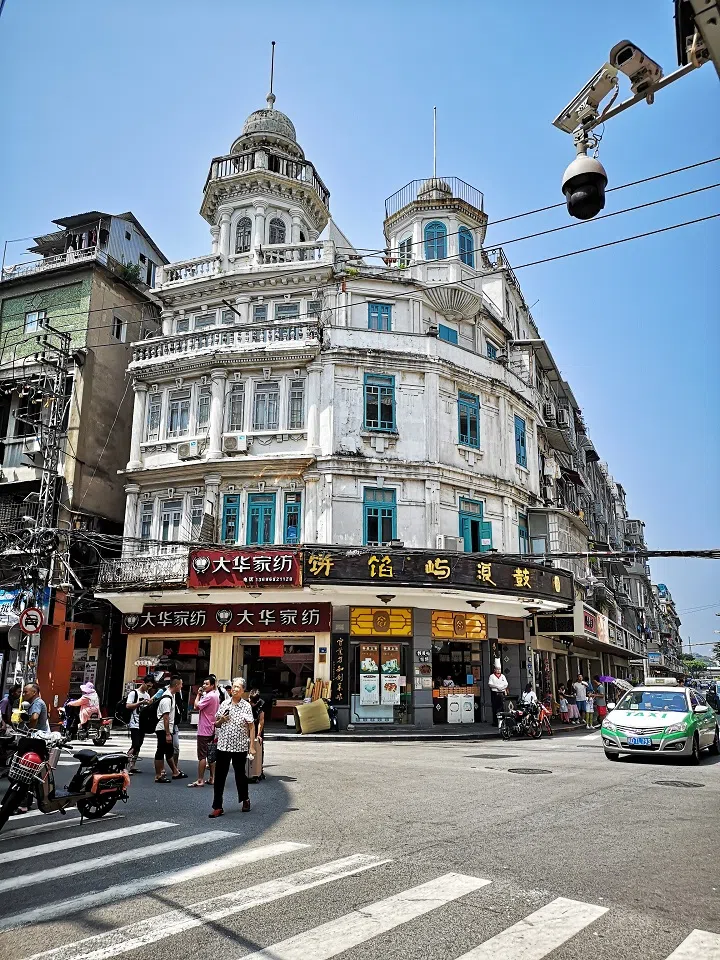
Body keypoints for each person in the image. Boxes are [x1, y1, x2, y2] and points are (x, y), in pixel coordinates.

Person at [208, 677, 256, 818]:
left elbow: (251, 726)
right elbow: (216, 724)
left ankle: (245, 799)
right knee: (220, 776)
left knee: (240, 775)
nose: (234, 689)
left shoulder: (246, 706)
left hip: (239, 746)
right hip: (223, 745)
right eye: (233, 686)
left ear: (243, 691)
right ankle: (217, 806)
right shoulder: (224, 704)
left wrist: (251, 746)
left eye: (238, 687)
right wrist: (221, 720)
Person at [153, 676, 186, 783]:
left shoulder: (171, 696)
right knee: (160, 751)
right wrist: (167, 733)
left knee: (169, 751)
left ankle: (175, 771)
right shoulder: (167, 699)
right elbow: (166, 718)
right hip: (163, 729)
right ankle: (158, 775)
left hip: (166, 729)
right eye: (180, 684)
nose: (182, 686)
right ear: (176, 685)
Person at [189, 676, 219, 788]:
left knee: (202, 756)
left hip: (204, 729)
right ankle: (212, 778)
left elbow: (197, 706)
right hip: (211, 728)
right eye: (203, 683)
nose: (204, 685)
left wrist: (198, 695)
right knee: (211, 754)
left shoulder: (209, 696)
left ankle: (200, 779)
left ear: (212, 685)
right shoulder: (216, 695)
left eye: (207, 684)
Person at [126, 677, 153, 774]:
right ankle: (126, 766)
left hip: (143, 724)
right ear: (143, 683)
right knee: (135, 744)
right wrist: (140, 702)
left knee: (139, 745)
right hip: (134, 723)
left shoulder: (147, 695)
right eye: (148, 685)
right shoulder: (134, 693)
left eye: (150, 686)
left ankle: (132, 765)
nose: (148, 688)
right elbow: (128, 706)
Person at [248, 688, 265, 783]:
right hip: (248, 727)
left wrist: (258, 734)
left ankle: (259, 770)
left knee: (259, 749)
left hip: (257, 727)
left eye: (253, 703)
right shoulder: (246, 703)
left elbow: (261, 721)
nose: (251, 704)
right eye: (250, 701)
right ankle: (247, 770)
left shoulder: (261, 704)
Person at [488, 661, 509, 726]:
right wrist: (496, 686)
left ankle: (502, 722)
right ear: (494, 670)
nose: (498, 670)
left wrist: (502, 687)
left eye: (499, 669)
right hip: (495, 693)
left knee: (502, 707)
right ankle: (495, 722)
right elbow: (490, 684)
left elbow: (506, 684)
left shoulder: (503, 676)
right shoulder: (492, 676)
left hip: (502, 693)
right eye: (497, 669)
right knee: (495, 708)